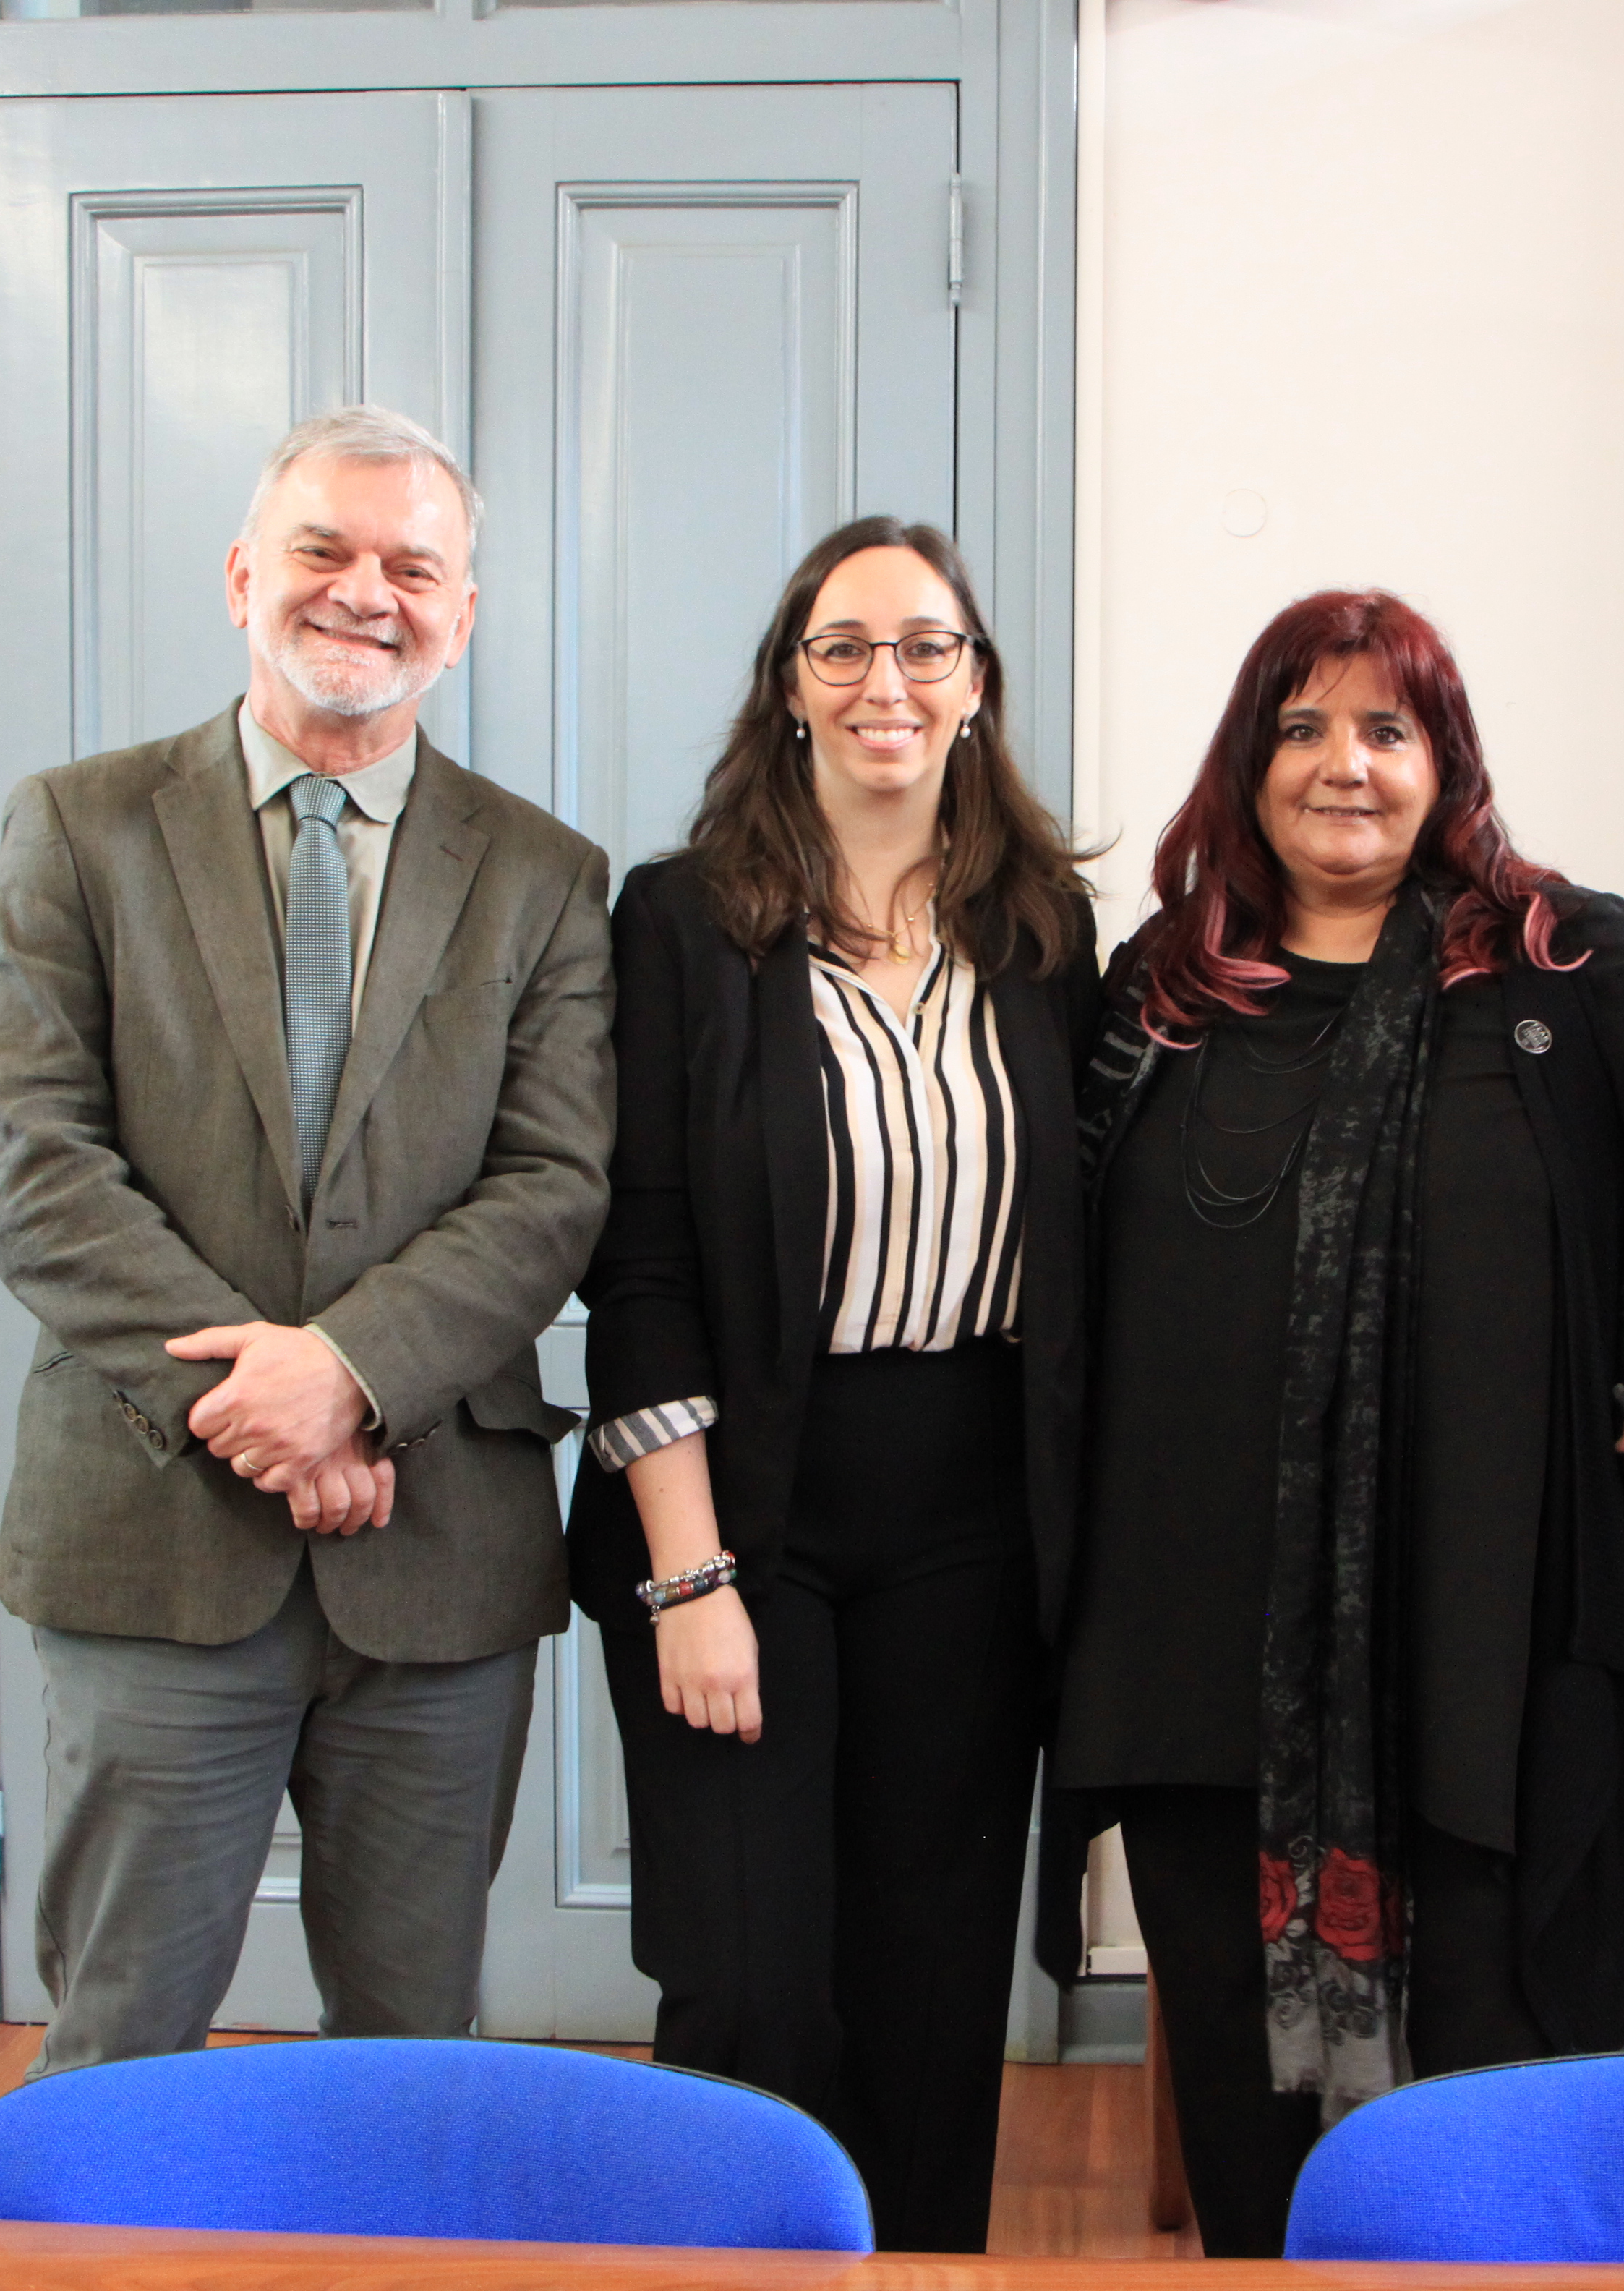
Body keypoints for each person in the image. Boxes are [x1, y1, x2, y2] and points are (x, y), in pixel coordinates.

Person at [1051, 590, 1624, 2258]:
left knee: (1485, 2114)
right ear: (1247, 762)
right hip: (1205, 1661)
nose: (1343, 767)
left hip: (1482, 1654)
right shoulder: (1159, 991)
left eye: (1386, 729)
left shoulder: (1566, 967)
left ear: (1445, 762)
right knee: (1246, 2127)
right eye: (1302, 728)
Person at [0, 404, 613, 2073]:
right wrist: (263, 1402)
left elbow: (552, 1186)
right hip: (153, 1530)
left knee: (415, 2051)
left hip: (439, 1554)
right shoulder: (79, 828)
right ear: (246, 575)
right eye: (325, 550)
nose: (365, 593)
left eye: (415, 565)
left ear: (463, 615)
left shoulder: (546, 877)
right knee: (120, 2037)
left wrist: (347, 1374)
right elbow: (43, 1171)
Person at [567, 517, 1102, 2253]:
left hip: (974, 1513)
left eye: (925, 645)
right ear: (790, 688)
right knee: (748, 1981)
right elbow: (639, 1266)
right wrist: (691, 1572)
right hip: (743, 1505)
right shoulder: (682, 925)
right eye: (845, 646)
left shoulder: (1044, 933)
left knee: (932, 1991)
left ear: (975, 687)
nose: (889, 680)